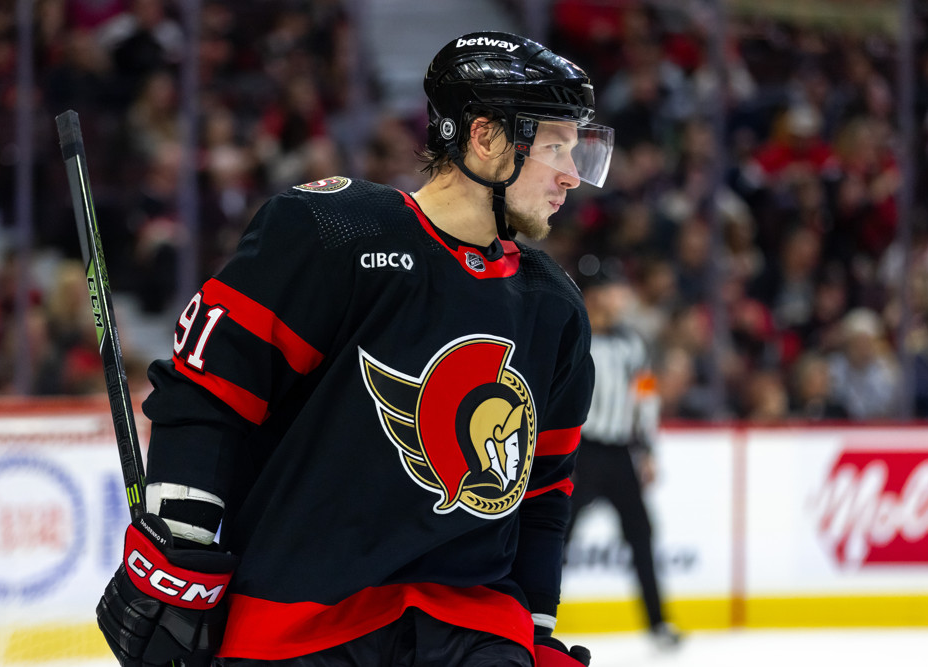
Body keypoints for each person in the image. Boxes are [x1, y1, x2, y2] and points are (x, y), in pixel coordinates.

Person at [96, 31, 616, 667]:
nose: (572, 174)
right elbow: (210, 391)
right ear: (485, 137)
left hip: (475, 629)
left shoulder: (553, 306)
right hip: (303, 623)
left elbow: (542, 492)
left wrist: (534, 632)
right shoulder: (332, 232)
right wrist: (178, 551)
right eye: (557, 146)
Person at [565, 261, 682, 650]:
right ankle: (532, 615)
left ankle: (658, 622)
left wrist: (646, 449)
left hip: (618, 455)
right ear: (596, 296)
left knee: (641, 534)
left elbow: (644, 398)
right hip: (581, 452)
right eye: (614, 291)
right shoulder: (576, 337)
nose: (622, 299)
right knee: (557, 536)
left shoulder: (632, 343)